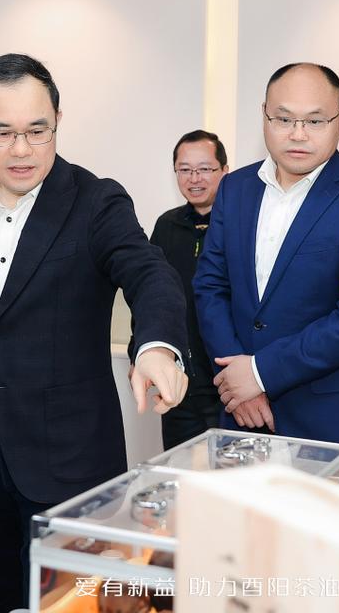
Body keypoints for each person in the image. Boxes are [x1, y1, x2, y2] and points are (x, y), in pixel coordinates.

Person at [0, 53, 188, 613]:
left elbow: (149, 273)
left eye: (37, 130)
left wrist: (156, 346)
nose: (21, 149)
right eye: (2, 132)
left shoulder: (95, 201)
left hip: (71, 456)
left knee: (74, 601)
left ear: (58, 122)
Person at [193, 62, 339, 489]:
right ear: (264, 115)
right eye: (284, 118)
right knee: (239, 531)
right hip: (240, 418)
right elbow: (210, 284)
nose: (297, 133)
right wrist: (237, 380)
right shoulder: (235, 188)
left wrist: (259, 374)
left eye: (315, 121)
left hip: (327, 423)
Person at [134, 130, 227, 450]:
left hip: (228, 383)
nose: (194, 178)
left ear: (224, 170)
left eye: (204, 169)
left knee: (231, 473)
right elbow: (147, 294)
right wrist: (139, 348)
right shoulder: (166, 225)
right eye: (184, 170)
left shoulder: (239, 223)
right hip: (180, 378)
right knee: (176, 468)